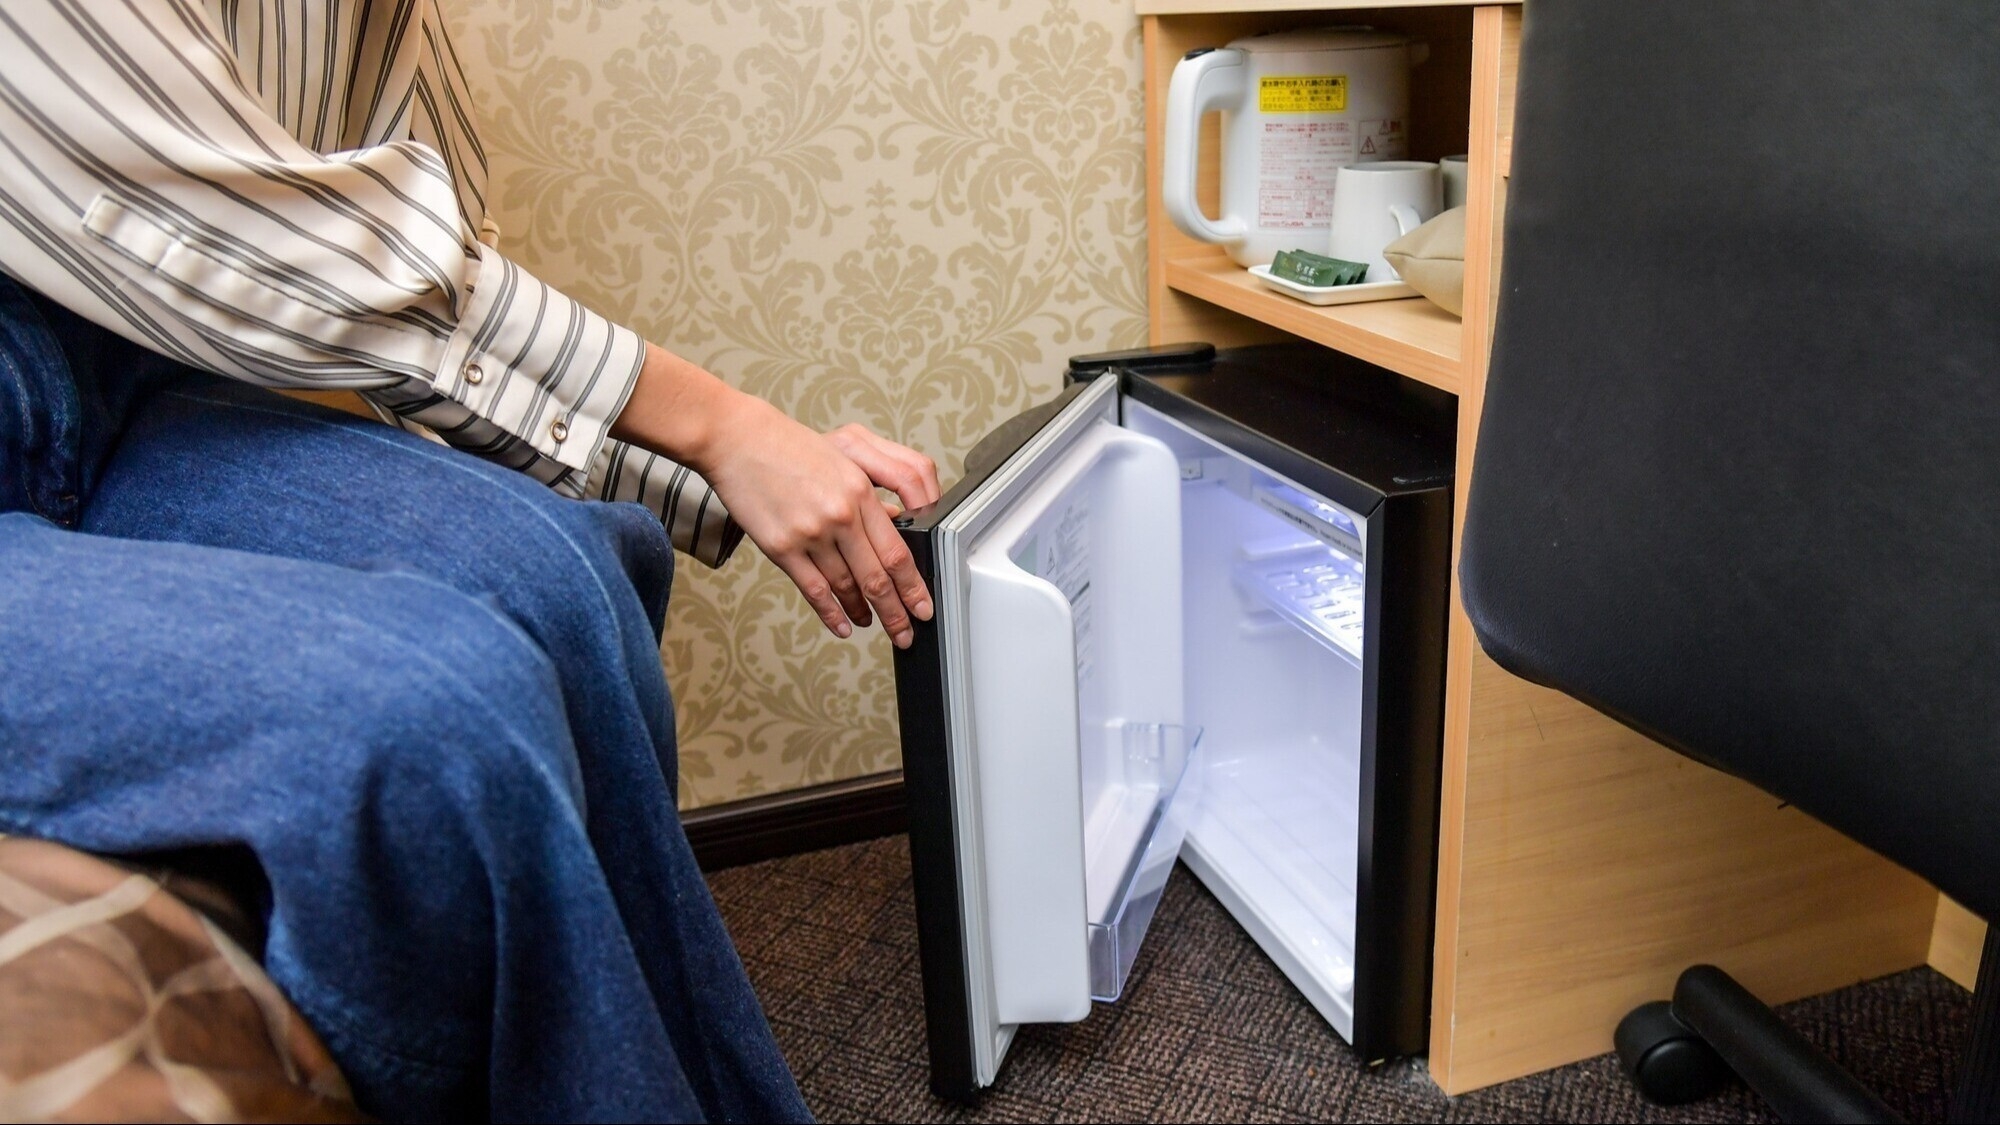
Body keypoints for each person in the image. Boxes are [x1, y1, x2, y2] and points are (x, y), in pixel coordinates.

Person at [0, 1, 941, 1120]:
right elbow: (238, 235)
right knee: (442, 707)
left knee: (566, 578)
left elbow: (420, 292)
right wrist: (723, 428)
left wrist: (739, 469)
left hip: (109, 377)